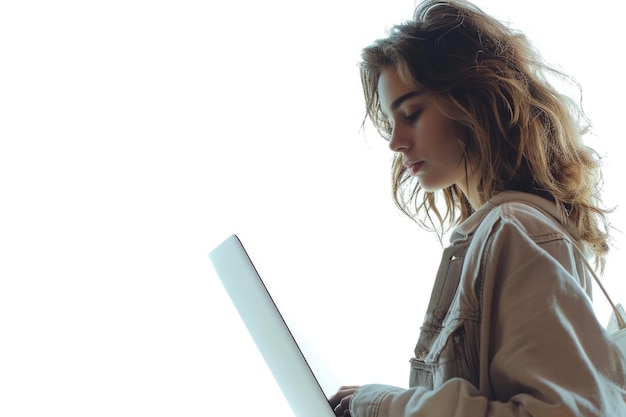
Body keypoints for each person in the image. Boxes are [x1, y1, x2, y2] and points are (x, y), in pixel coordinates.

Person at [328, 0, 626, 416]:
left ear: (473, 102)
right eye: (390, 120)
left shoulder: (515, 229)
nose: (395, 141)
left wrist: (388, 406)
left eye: (411, 113)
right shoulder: (495, 231)